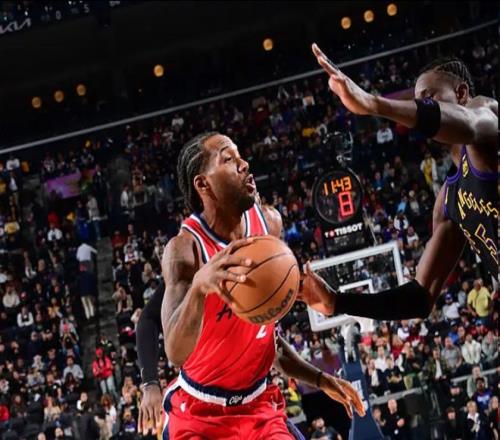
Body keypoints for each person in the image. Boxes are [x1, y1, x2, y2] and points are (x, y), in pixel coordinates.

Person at [138, 133, 364, 438]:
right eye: (228, 159)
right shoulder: (185, 250)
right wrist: (199, 288)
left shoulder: (269, 224)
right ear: (203, 184)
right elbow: (176, 353)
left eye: (240, 155)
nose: (244, 164)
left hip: (258, 408)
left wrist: (321, 379)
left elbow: (269, 342)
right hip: (200, 415)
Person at [308, 45, 498, 321]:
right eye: (418, 100)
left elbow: (469, 124)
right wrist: (337, 302)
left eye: (429, 97)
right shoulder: (448, 201)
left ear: (461, 93)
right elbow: (420, 298)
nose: (420, 106)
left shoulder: (485, 112)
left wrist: (373, 104)